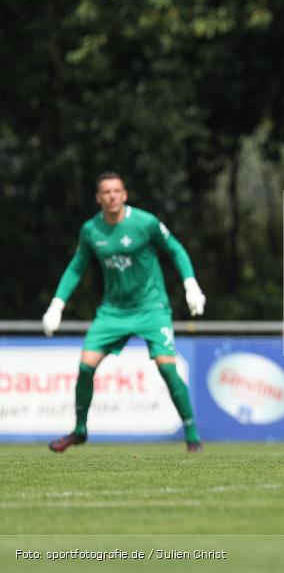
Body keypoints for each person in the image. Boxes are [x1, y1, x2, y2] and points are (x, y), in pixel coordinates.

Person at [41, 172, 207, 453]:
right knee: (86, 366)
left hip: (151, 307)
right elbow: (76, 267)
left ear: (125, 194)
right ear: (98, 198)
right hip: (113, 311)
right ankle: (79, 431)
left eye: (117, 191)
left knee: (167, 366)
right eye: (106, 192)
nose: (112, 196)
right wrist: (56, 305)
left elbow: (176, 249)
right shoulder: (91, 230)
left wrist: (191, 285)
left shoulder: (145, 223)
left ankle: (192, 435)